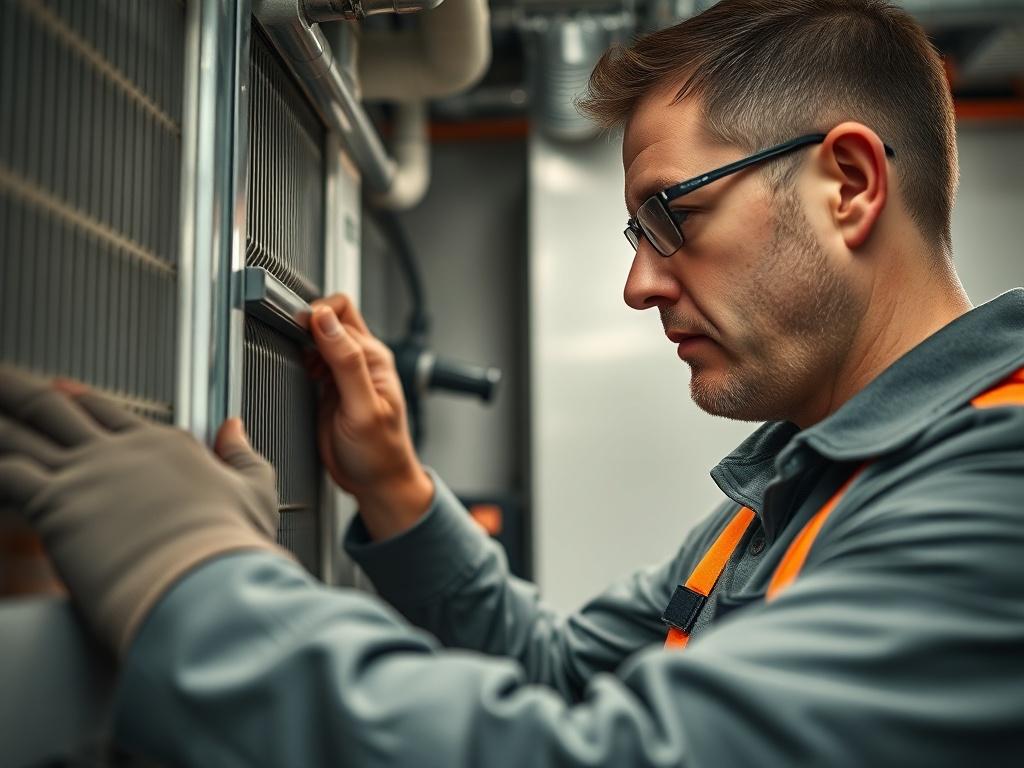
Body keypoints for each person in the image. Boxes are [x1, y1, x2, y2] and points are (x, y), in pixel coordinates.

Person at [3, 0, 1024, 764]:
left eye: (674, 214)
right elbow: (564, 677)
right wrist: (397, 487)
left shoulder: (994, 490)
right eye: (638, 232)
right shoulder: (787, 495)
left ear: (846, 184)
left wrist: (191, 578)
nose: (638, 282)